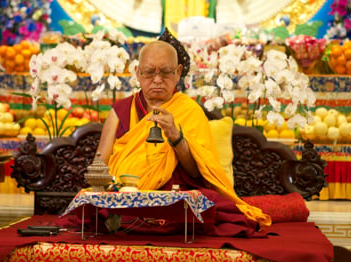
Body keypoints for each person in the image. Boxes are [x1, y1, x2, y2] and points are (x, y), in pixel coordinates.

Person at [95, 38, 271, 236]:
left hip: (174, 196)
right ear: (137, 73)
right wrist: (107, 193)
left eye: (166, 72)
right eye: (149, 72)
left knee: (207, 204)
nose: (157, 80)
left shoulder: (189, 111)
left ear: (178, 72)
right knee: (97, 211)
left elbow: (196, 174)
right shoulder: (121, 110)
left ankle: (132, 222)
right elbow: (100, 163)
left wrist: (176, 137)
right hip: (127, 196)